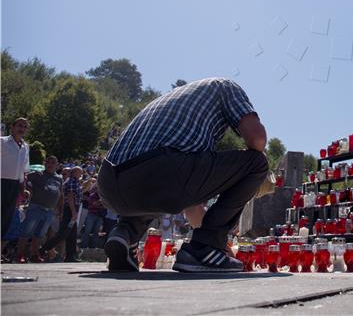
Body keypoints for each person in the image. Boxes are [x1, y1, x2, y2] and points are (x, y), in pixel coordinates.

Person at [98, 77, 268, 273]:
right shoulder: (225, 87)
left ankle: (125, 234)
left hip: (109, 183)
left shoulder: (169, 102)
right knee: (257, 162)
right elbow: (257, 139)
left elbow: (192, 205)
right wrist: (210, 241)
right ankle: (203, 251)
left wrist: (221, 246)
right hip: (159, 172)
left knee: (157, 185)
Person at [16, 156, 63, 262]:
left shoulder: (59, 178)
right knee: (26, 232)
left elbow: (61, 194)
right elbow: (23, 178)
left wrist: (60, 210)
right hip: (36, 206)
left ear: (57, 165)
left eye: (52, 162)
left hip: (50, 209)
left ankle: (34, 255)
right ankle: (19, 255)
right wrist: (28, 189)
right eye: (48, 162)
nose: (50, 164)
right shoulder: (38, 174)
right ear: (45, 164)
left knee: (40, 234)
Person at [41, 166, 83, 262]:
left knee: (72, 234)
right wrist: (73, 212)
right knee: (63, 233)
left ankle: (70, 256)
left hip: (73, 208)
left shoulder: (75, 181)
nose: (81, 174)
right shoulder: (71, 181)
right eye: (80, 172)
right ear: (75, 172)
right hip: (70, 209)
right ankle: (43, 249)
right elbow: (70, 197)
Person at [1, 118, 30, 257]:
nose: (22, 128)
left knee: (6, 219)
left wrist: (23, 189)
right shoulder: (2, 142)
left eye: (25, 126)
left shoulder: (25, 147)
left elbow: (23, 171)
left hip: (14, 186)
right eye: (19, 125)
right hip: (1, 182)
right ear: (12, 127)